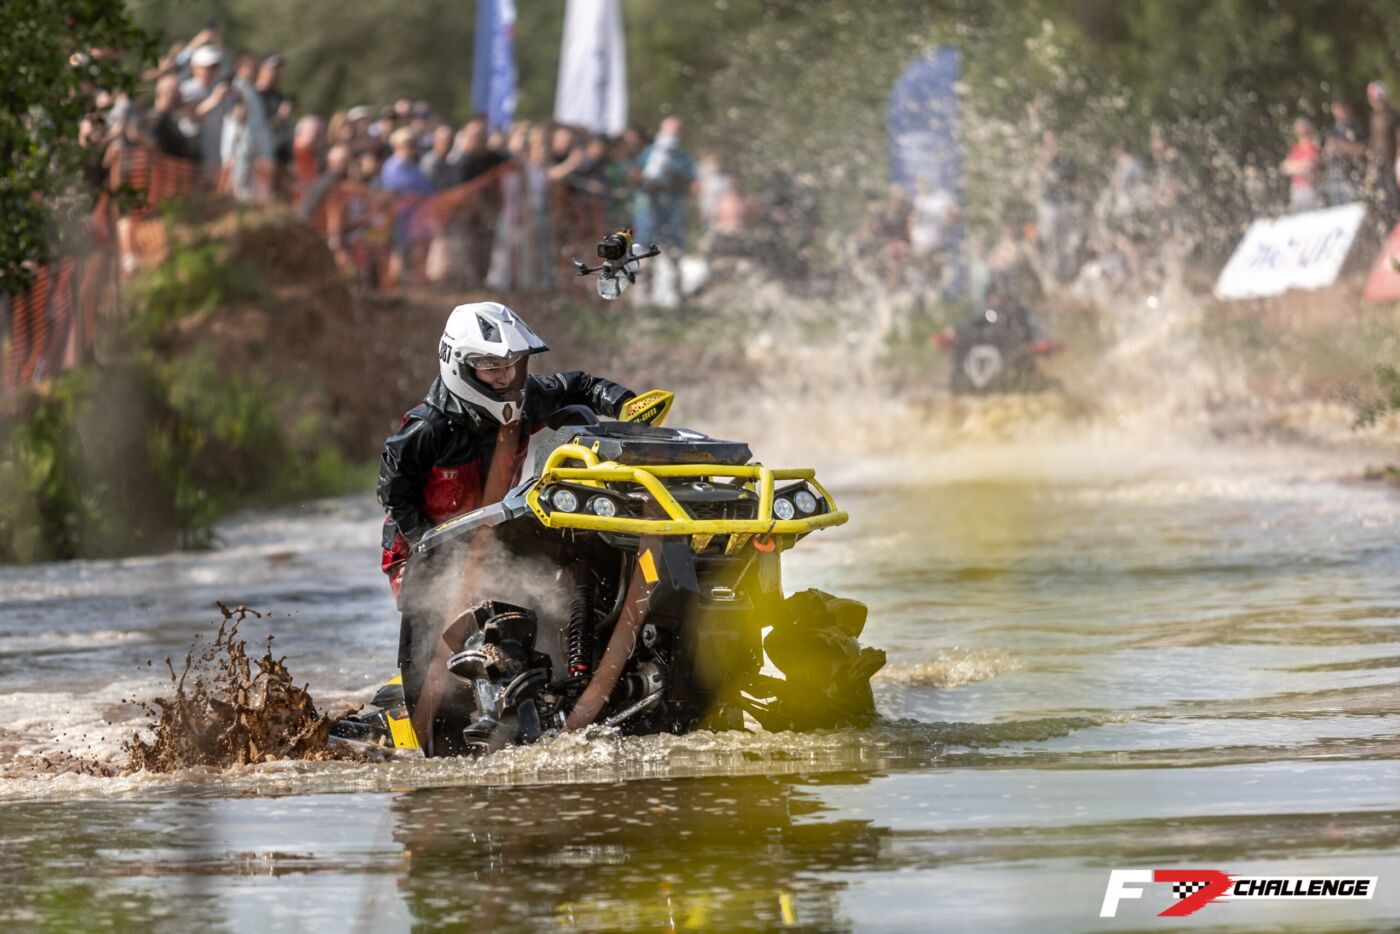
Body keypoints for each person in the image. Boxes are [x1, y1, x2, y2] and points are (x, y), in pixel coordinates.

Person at [377, 302, 636, 596]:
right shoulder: (427, 427)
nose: (504, 376)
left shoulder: (527, 397)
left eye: (510, 364)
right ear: (459, 365)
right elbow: (393, 492)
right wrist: (427, 544)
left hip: (496, 528)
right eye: (490, 367)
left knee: (565, 584)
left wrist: (624, 402)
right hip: (422, 547)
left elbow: (580, 386)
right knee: (442, 607)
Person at [1324, 99, 1365, 206]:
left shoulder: (1355, 126)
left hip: (1352, 174)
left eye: (1339, 110)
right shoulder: (1334, 129)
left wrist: (1343, 147)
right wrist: (1328, 149)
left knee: (1352, 205)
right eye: (1335, 110)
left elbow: (1362, 149)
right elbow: (1325, 153)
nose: (1337, 113)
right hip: (1336, 175)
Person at [1280, 117, 1321, 213]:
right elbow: (1284, 167)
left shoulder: (1313, 146)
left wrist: (1294, 166)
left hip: (1310, 187)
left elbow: (1310, 166)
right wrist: (1300, 166)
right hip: (1297, 188)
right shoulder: (1295, 148)